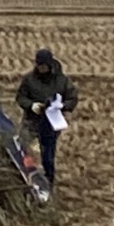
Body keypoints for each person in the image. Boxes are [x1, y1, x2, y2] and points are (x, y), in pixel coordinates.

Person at [16, 48, 78, 188]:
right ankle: (21, 177)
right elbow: (20, 97)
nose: (41, 68)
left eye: (43, 66)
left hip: (51, 123)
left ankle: (49, 182)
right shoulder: (29, 79)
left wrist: (61, 106)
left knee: (48, 156)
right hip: (32, 121)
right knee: (22, 148)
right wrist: (31, 105)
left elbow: (72, 99)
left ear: (50, 65)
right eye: (39, 66)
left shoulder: (62, 81)